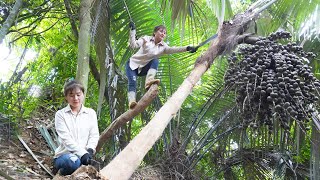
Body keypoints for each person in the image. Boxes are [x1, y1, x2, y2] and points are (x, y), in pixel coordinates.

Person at [126, 21, 197, 109]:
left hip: (143, 68)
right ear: (155, 32)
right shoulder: (146, 39)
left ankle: (149, 80)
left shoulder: (164, 47)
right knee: (132, 82)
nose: (163, 33)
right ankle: (132, 102)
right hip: (132, 65)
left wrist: (188, 48)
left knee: (155, 60)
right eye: (161, 31)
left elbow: (175, 49)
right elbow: (133, 45)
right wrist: (132, 31)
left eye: (164, 33)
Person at [53, 80, 100, 175]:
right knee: (73, 162)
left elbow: (94, 135)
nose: (75, 98)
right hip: (64, 156)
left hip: (85, 157)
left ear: (83, 94)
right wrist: (83, 153)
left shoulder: (91, 113)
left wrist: (90, 150)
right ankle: (59, 174)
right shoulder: (61, 114)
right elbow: (66, 139)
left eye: (78, 94)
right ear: (66, 97)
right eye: (71, 95)